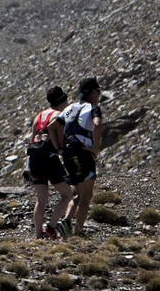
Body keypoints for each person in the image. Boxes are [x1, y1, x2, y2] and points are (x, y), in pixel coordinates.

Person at [57, 77, 105, 237]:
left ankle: (65, 222)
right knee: (86, 196)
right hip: (83, 152)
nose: (99, 94)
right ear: (92, 93)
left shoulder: (70, 108)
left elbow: (52, 127)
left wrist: (60, 147)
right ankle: (78, 233)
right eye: (98, 91)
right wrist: (95, 148)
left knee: (81, 193)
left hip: (68, 153)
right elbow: (97, 124)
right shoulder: (93, 108)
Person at [26, 85, 73, 239]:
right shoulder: (58, 116)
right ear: (63, 100)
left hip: (34, 159)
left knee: (41, 200)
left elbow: (31, 140)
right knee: (67, 196)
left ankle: (38, 236)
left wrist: (27, 166)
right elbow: (59, 141)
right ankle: (51, 228)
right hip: (49, 158)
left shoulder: (38, 117)